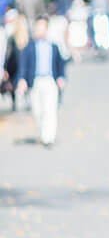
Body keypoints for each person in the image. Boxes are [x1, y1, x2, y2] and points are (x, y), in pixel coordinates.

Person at [16, 15, 66, 147]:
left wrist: (61, 77)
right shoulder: (29, 47)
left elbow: (60, 64)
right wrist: (22, 80)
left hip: (50, 81)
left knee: (50, 109)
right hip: (36, 82)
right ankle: (43, 132)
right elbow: (23, 66)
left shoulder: (53, 46)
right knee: (38, 111)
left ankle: (48, 138)